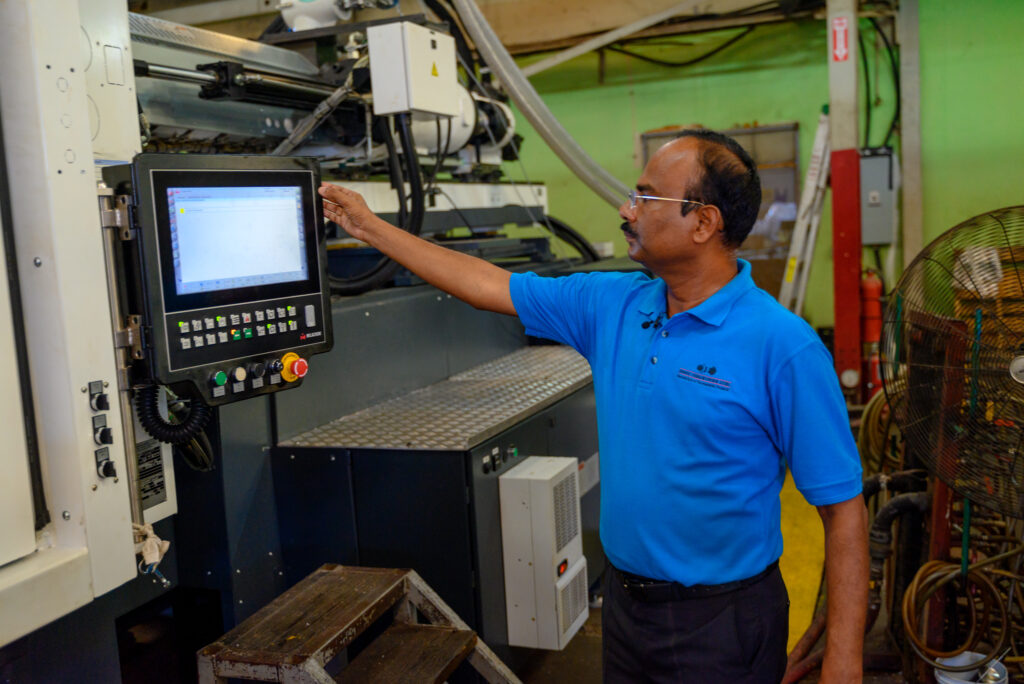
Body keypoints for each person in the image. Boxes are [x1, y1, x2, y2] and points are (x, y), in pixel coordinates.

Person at [318, 129, 868, 684]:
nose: (627, 210)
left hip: (723, 623)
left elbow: (842, 510)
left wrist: (843, 661)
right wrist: (368, 226)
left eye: (646, 197)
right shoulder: (614, 305)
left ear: (703, 223)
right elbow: (488, 284)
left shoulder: (783, 346)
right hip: (627, 613)